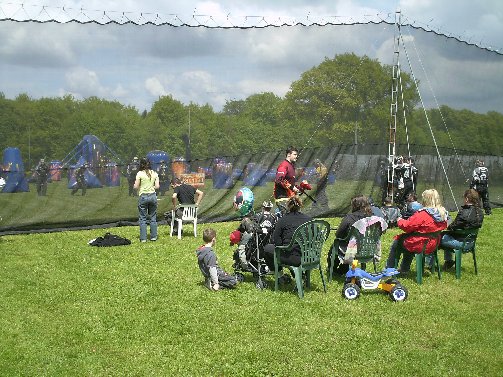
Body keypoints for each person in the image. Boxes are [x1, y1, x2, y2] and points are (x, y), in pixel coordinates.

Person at [385, 189, 448, 274]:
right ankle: (404, 268)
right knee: (408, 239)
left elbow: (407, 226)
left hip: (420, 244)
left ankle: (389, 269)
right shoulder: (443, 213)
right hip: (433, 244)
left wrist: (399, 220)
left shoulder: (423, 214)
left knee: (398, 243)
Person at [263, 195, 312, 283]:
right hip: (310, 256)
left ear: (288, 206)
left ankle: (279, 275)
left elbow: (276, 241)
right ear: (300, 206)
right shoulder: (309, 219)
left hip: (293, 258)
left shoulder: (283, 220)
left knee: (267, 248)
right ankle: (301, 275)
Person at [327, 195, 373, 275]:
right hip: (367, 248)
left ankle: (333, 269)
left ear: (355, 205)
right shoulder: (371, 218)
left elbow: (338, 234)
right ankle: (343, 269)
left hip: (350, 249)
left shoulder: (349, 218)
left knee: (336, 245)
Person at [441, 189, 484, 270]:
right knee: (446, 235)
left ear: (467, 199)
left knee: (439, 237)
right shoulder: (480, 212)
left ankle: (431, 265)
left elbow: (451, 227)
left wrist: (448, 221)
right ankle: (448, 261)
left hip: (461, 243)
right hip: (471, 242)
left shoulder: (464, 212)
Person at [133, 157, 160, 242]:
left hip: (143, 196)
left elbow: (136, 186)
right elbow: (157, 186)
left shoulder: (139, 173)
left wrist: (139, 186)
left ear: (141, 164)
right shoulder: (155, 173)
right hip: (152, 196)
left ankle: (143, 238)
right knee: (153, 217)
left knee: (143, 218)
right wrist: (151, 187)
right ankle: (153, 237)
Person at [273, 146, 300, 215]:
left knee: (292, 216)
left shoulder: (291, 165)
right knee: (287, 217)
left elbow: (289, 182)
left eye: (297, 154)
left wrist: (298, 188)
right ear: (288, 154)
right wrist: (292, 187)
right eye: (294, 154)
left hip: (289, 196)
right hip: (282, 197)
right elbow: (279, 180)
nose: (296, 156)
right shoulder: (284, 165)